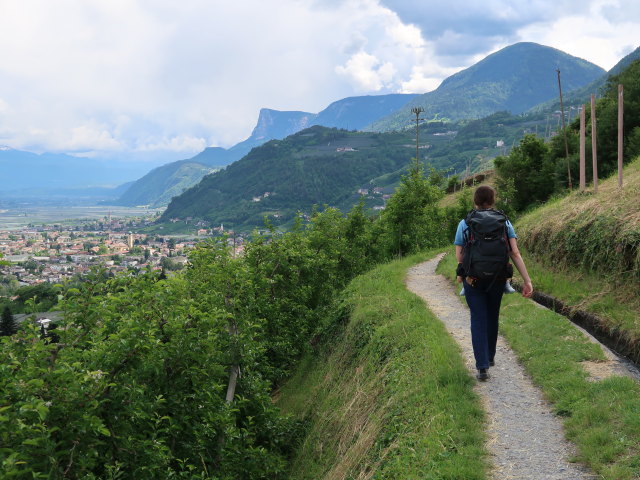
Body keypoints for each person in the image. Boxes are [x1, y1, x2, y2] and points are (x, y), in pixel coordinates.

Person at [454, 185, 533, 381]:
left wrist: (464, 273)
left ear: (475, 201)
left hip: (473, 280)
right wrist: (526, 280)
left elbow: (459, 255)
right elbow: (514, 252)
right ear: (493, 200)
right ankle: (489, 357)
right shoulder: (504, 222)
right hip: (497, 278)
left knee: (478, 319)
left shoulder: (465, 223)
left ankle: (481, 367)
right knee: (492, 316)